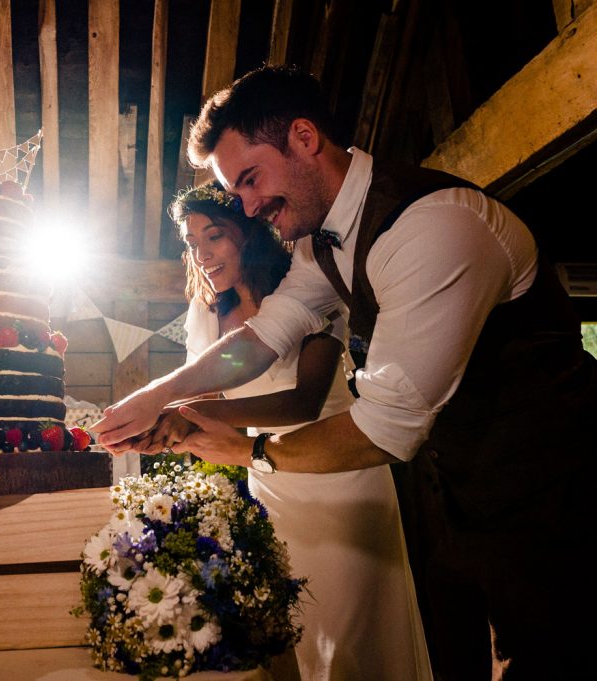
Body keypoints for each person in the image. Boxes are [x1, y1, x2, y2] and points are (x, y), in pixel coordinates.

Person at [93, 65, 596, 679]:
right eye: (237, 191)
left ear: (304, 138)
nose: (247, 205)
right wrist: (160, 394)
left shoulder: (431, 226)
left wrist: (251, 450)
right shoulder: (318, 244)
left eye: (250, 179)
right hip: (450, 496)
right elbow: (260, 339)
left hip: (559, 493)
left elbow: (386, 427)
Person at [143, 182, 431, 680]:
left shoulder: (309, 290)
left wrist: (188, 410)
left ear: (250, 234)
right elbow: (206, 399)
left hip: (340, 474)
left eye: (215, 236)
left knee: (352, 633)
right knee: (298, 634)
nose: (204, 254)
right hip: (270, 483)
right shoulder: (206, 311)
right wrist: (162, 424)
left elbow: (305, 399)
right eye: (193, 243)